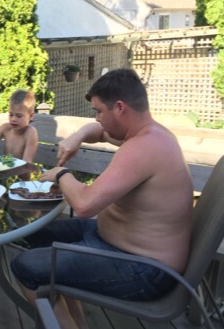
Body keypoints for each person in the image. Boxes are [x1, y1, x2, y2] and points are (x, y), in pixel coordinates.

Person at [10, 69, 194, 329]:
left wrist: (61, 174)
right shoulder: (148, 134)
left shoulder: (144, 147)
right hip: (113, 242)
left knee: (25, 266)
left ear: (119, 107)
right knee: (34, 233)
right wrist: (78, 136)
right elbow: (100, 131)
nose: (97, 118)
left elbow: (84, 205)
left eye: (98, 111)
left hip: (145, 269)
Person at [0, 89, 38, 176]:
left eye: (19, 116)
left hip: (21, 179)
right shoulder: (5, 128)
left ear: (31, 115)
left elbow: (26, 167)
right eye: (11, 115)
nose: (13, 119)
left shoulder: (30, 133)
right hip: (4, 175)